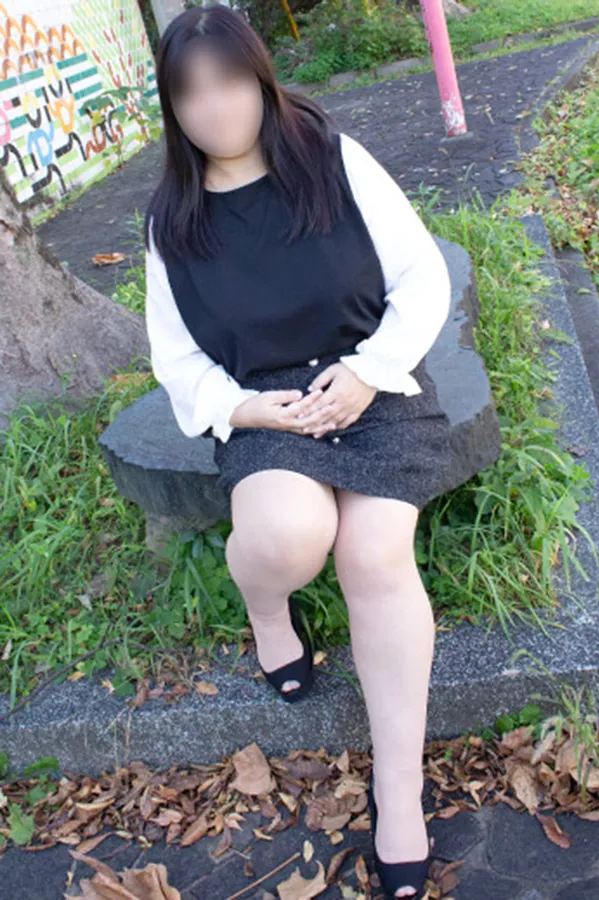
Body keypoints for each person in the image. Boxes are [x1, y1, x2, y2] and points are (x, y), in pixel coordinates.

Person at [144, 5, 453, 898]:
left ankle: (399, 796)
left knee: (374, 551)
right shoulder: (173, 219)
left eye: (229, 81)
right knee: (285, 536)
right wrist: (246, 410)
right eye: (190, 92)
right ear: (173, 107)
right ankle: (268, 611)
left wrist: (370, 370)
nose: (214, 106)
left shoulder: (331, 158)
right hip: (266, 403)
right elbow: (178, 359)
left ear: (261, 78)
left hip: (370, 383)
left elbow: (421, 275)